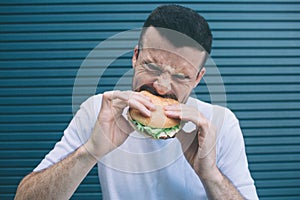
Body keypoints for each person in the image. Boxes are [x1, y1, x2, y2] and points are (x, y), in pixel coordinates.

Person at [15, 5, 258, 200]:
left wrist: (210, 175)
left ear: (197, 78)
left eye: (181, 76)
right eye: (151, 66)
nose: (162, 86)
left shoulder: (221, 123)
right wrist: (89, 152)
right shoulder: (100, 110)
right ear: (135, 56)